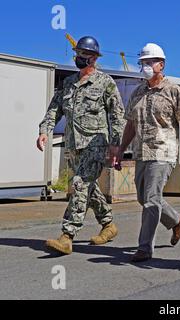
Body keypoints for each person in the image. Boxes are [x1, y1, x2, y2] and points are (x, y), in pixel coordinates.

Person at [37, 36, 126, 255]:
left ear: (94, 58)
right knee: (87, 187)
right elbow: (54, 110)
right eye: (77, 53)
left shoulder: (105, 82)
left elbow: (117, 115)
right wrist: (44, 130)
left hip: (96, 143)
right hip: (74, 144)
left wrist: (116, 145)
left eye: (83, 54)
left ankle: (67, 236)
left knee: (79, 183)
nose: (78, 57)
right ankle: (108, 224)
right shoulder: (68, 83)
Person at [118, 43, 180, 262]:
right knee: (144, 198)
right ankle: (176, 220)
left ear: (161, 64)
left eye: (150, 62)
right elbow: (130, 124)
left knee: (151, 199)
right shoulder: (137, 92)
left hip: (163, 151)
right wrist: (121, 149)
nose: (146, 66)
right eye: (143, 63)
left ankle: (144, 248)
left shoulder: (173, 90)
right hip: (142, 152)